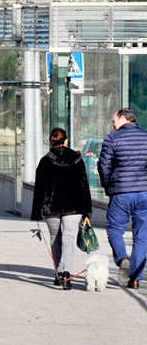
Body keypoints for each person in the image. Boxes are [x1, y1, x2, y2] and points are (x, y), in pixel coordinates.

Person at [31, 127, 93, 289]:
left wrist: (36, 212)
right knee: (68, 238)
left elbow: (39, 189)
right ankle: (66, 273)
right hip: (74, 205)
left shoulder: (45, 161)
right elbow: (84, 185)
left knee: (55, 238)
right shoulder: (77, 160)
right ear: (66, 141)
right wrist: (87, 209)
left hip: (51, 206)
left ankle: (58, 274)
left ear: (51, 142)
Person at [98, 108, 147, 289]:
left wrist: (108, 186)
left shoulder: (112, 139)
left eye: (114, 121)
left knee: (114, 228)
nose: (113, 124)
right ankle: (135, 279)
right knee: (142, 236)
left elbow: (103, 165)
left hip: (121, 192)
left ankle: (122, 258)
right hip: (144, 192)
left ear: (123, 118)